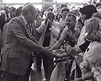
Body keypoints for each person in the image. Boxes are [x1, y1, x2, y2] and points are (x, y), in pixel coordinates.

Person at [0, 4, 57, 81]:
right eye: (34, 15)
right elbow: (24, 40)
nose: (35, 18)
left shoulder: (26, 24)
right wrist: (43, 50)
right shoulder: (15, 21)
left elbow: (31, 38)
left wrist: (43, 48)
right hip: (12, 64)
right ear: (29, 13)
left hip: (23, 63)